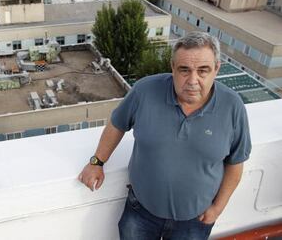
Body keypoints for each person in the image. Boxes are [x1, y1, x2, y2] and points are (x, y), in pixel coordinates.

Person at [78, 31, 251, 240]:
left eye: (203, 70)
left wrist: (217, 208)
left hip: (194, 222)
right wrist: (97, 162)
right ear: (173, 68)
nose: (193, 80)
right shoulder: (145, 90)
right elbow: (117, 124)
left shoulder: (233, 107)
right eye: (184, 70)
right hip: (140, 213)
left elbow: (236, 163)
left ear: (217, 69)